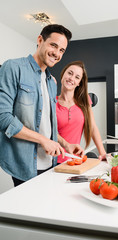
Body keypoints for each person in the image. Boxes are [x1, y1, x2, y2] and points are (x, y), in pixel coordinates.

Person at [0, 24, 80, 187]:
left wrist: (66, 145)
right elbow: (3, 118)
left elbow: (47, 125)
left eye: (62, 50)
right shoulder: (13, 68)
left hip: (50, 163)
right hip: (24, 164)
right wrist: (43, 140)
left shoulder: (51, 82)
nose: (57, 53)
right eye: (53, 45)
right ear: (40, 40)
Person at [56, 61, 107, 164]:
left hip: (74, 160)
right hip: (53, 160)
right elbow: (48, 131)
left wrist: (102, 153)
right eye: (70, 73)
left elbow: (92, 126)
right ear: (63, 74)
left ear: (79, 83)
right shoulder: (52, 102)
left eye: (77, 77)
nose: (71, 78)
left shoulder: (84, 101)